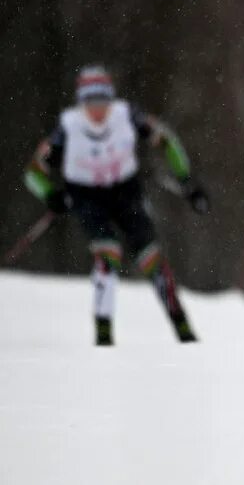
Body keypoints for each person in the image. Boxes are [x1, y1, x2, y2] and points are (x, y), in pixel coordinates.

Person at [24, 65, 209, 346]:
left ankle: (184, 331)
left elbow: (167, 140)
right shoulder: (68, 127)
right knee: (107, 256)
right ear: (81, 102)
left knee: (152, 259)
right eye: (90, 103)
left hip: (125, 193)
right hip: (86, 197)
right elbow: (33, 173)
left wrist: (186, 181)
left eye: (102, 102)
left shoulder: (128, 115)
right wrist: (51, 195)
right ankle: (104, 337)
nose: (97, 111)